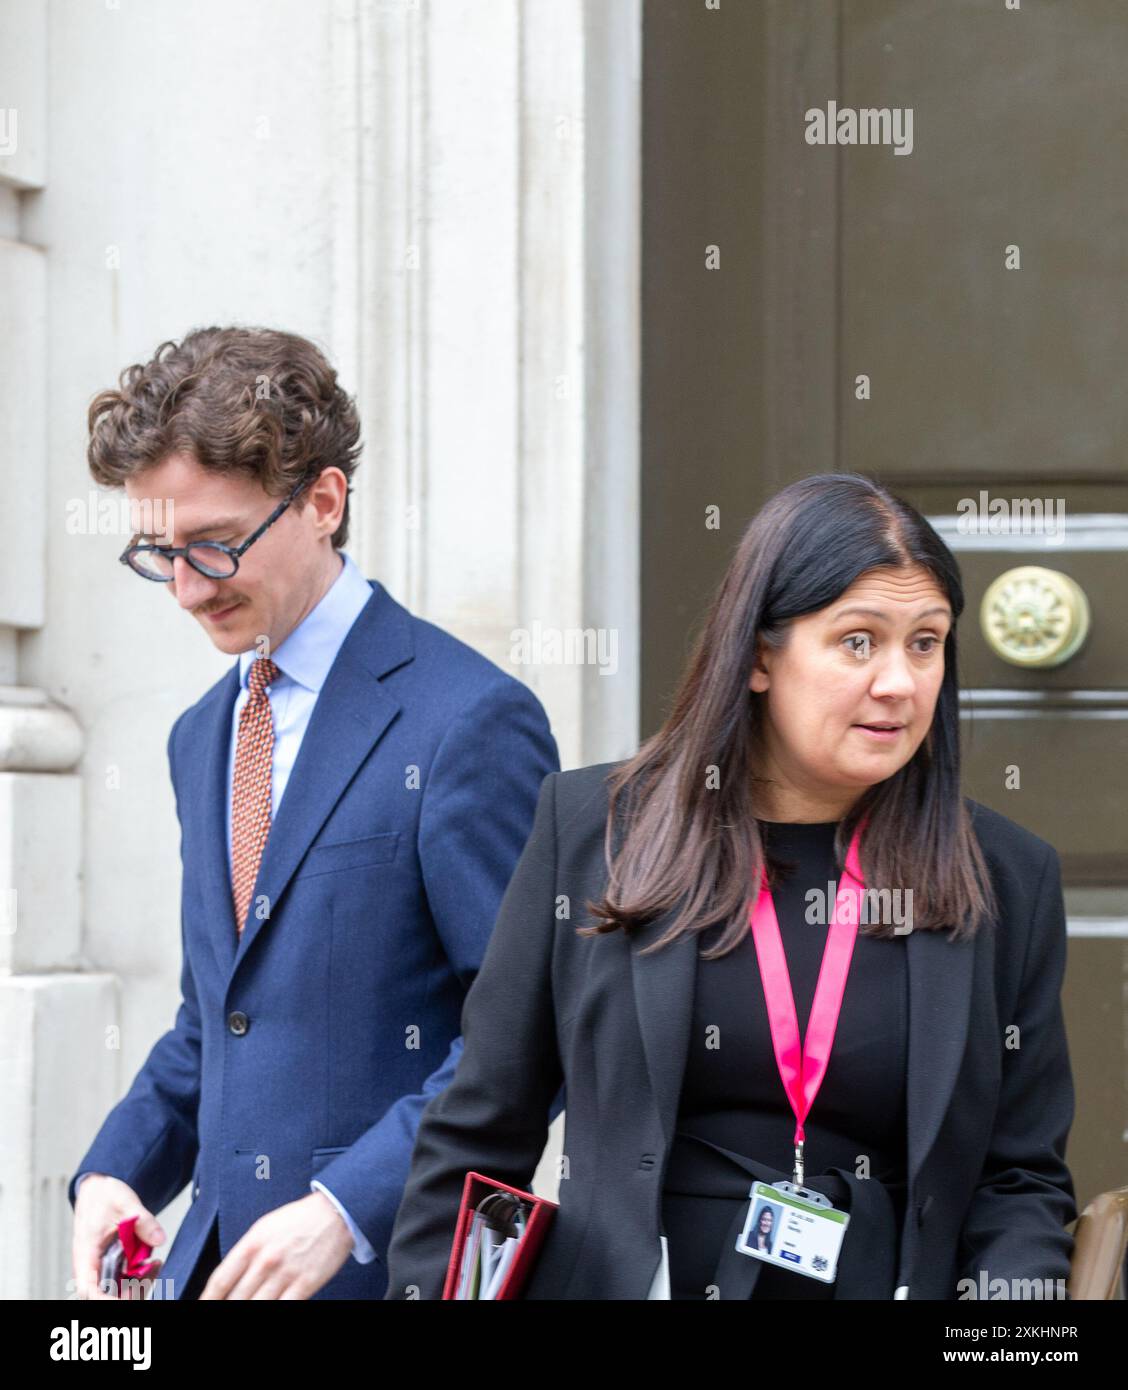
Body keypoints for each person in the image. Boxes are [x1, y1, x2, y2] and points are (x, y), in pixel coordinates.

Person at [384, 471, 1077, 1301]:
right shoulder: (592, 829)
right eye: (859, 640)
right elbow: (480, 1132)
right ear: (758, 655)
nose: (899, 681)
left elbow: (1019, 1180)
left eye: (924, 643)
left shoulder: (1008, 876)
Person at [68, 326, 559, 1300]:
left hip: (390, 1276)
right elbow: (221, 1018)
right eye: (158, 552)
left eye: (213, 544)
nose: (184, 588)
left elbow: (523, 1038)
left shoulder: (469, 721)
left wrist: (344, 1209)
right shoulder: (198, 737)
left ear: (324, 501)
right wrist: (114, 1171)